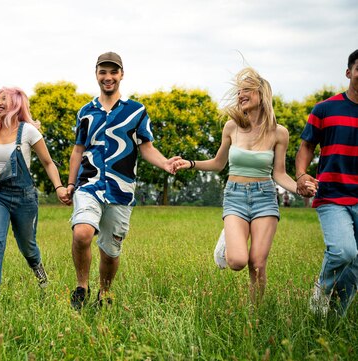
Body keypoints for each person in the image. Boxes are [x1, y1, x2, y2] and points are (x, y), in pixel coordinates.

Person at [175, 67, 316, 302]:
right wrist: (189, 163)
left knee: (257, 263)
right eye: (239, 91)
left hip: (264, 198)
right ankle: (229, 239)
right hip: (235, 196)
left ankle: (256, 312)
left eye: (247, 90)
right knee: (237, 261)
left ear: (261, 94)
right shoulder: (231, 127)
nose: (241, 94)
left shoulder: (279, 133)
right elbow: (218, 163)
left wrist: (299, 188)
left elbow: (279, 174)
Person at [67, 52, 180, 310]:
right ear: (96, 74)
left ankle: (104, 292)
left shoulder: (136, 111)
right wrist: (70, 185)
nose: (108, 77)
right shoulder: (86, 112)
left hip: (121, 190)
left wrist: (164, 163)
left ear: (121, 75)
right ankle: (81, 288)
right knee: (82, 232)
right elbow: (77, 150)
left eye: (113, 72)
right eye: (103, 72)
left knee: (110, 251)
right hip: (89, 184)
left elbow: (146, 147)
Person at [0, 87, 71, 307]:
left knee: (28, 246)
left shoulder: (28, 132)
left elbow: (48, 163)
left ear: (16, 104)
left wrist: (59, 187)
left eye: (4, 99)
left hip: (24, 197)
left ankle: (40, 275)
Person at [297, 49, 358, 317]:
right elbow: (307, 145)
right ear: (349, 72)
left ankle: (334, 318)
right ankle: (321, 292)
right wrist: (301, 175)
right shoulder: (325, 109)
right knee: (344, 251)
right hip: (332, 194)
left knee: (356, 264)